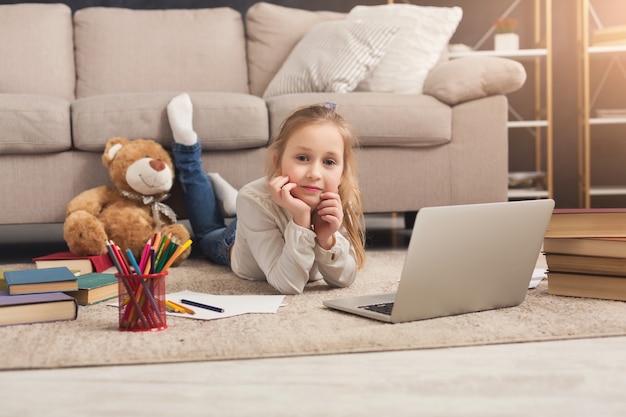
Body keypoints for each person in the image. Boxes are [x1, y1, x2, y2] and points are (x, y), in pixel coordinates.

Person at [167, 93, 366, 294]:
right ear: (277, 163)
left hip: (256, 210)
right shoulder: (254, 199)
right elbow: (288, 283)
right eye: (303, 158)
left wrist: (327, 239)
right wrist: (301, 220)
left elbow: (343, 279)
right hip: (235, 240)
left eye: (329, 162)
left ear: (342, 174)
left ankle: (234, 203)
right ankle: (187, 151)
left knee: (246, 203)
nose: (314, 173)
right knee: (207, 234)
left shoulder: (338, 198)